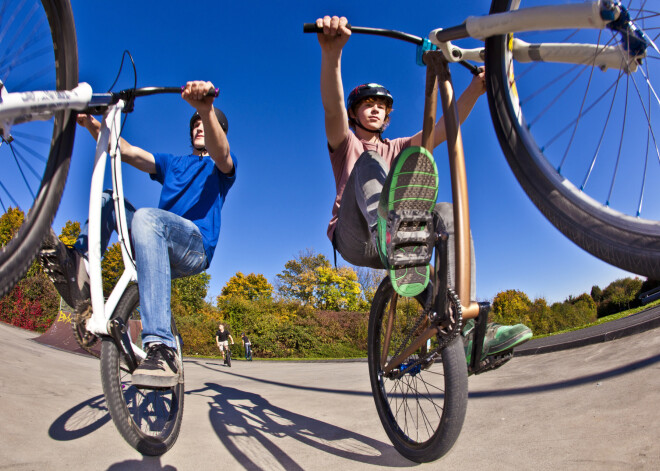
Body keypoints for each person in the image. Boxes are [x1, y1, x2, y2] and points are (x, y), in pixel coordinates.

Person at [314, 16, 532, 365]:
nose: (375, 109)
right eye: (367, 105)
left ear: (387, 117)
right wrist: (332, 54)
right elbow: (331, 106)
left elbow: (443, 128)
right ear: (355, 114)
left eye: (381, 107)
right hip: (355, 235)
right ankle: (390, 230)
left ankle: (464, 326)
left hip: (398, 237)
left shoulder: (399, 145)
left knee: (447, 213)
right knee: (367, 163)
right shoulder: (344, 143)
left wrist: (475, 89)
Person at [39, 80, 237, 387]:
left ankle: (162, 347)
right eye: (195, 124)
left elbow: (221, 152)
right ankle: (80, 265)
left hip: (194, 246)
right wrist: (93, 124)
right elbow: (127, 151)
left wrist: (205, 109)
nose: (199, 128)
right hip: (154, 238)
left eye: (205, 125)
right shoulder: (173, 163)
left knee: (147, 218)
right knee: (108, 199)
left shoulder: (220, 168)